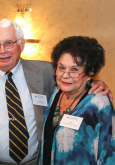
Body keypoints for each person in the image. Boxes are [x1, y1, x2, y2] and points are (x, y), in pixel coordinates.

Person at [0, 19, 112, 165]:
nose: (2, 51)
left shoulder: (45, 71)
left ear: (22, 45)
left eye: (9, 43)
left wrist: (93, 83)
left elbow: (74, 79)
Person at [37, 36, 115, 165]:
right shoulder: (55, 93)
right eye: (61, 68)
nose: (65, 75)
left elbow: (109, 153)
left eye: (74, 69)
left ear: (90, 72)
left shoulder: (99, 102)